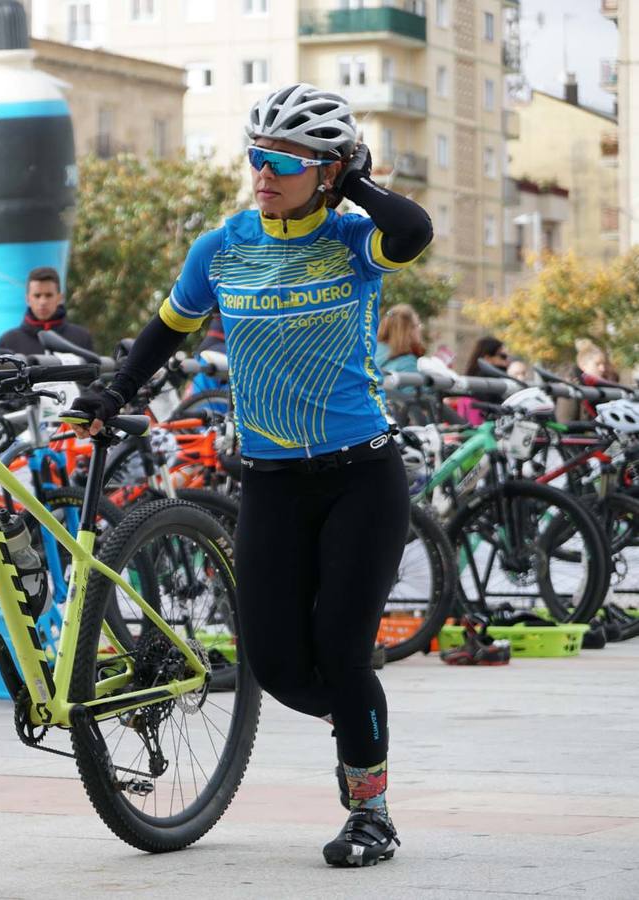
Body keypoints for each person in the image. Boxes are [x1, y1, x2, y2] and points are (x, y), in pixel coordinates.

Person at [70, 83, 432, 867]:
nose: (261, 174)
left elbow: (415, 230)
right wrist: (112, 393)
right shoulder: (224, 247)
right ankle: (358, 720)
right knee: (273, 662)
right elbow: (163, 332)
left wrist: (355, 178)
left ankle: (369, 810)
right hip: (270, 481)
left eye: (280, 162)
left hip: (360, 479)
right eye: (253, 158)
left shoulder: (350, 240)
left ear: (324, 172)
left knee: (341, 649)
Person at [0, 267, 93, 355]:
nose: (43, 302)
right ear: (28, 299)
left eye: (49, 295)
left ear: (60, 298)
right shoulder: (8, 342)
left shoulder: (81, 338)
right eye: (37, 296)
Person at [450, 336, 508, 426]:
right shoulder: (486, 384)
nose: (507, 361)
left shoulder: (473, 382)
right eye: (503, 356)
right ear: (487, 358)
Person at [375, 304, 424, 397]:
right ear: (408, 330)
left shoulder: (372, 352)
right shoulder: (406, 361)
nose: (420, 329)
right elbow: (413, 401)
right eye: (418, 325)